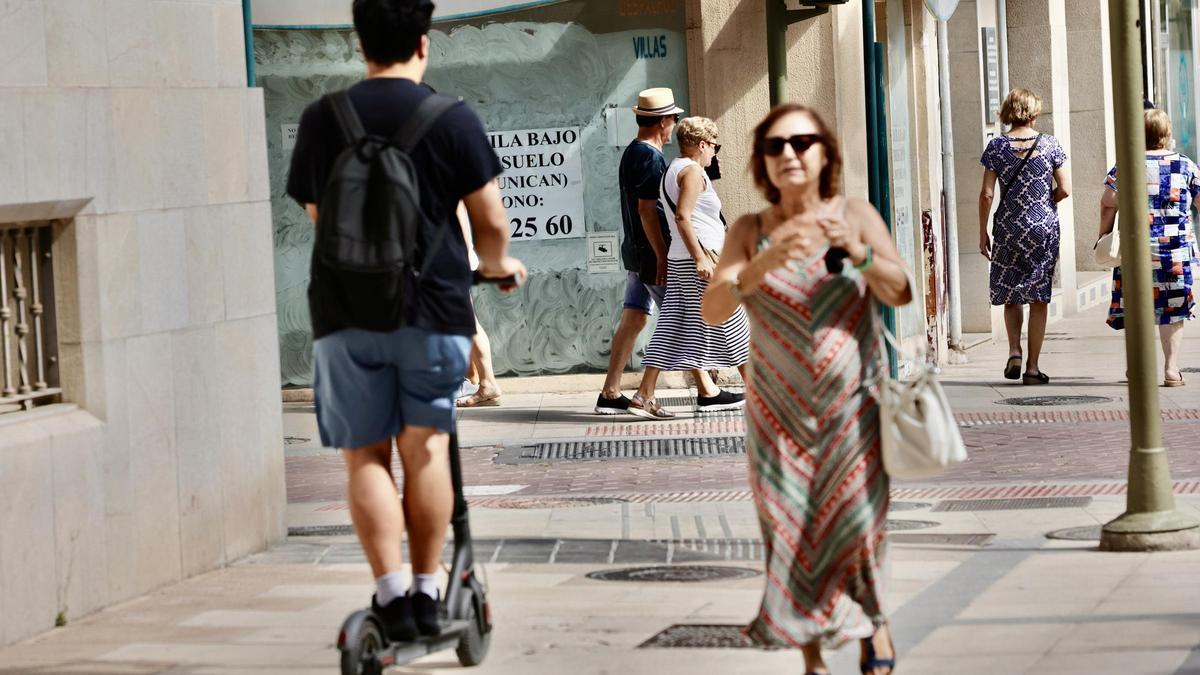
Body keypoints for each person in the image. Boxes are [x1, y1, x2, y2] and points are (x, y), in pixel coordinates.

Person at [285, 0, 525, 643]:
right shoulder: (453, 117)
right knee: (427, 450)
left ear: (360, 43)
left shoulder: (323, 117)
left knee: (365, 456)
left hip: (344, 313)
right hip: (432, 311)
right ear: (424, 43)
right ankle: (425, 591)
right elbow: (491, 223)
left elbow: (319, 216)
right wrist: (498, 266)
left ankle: (389, 595)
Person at [702, 104, 912, 675]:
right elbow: (713, 308)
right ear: (762, 162)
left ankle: (874, 620)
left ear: (825, 154)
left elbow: (899, 291)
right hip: (778, 417)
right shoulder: (750, 232)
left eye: (802, 142)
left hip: (853, 410)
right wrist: (761, 264)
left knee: (857, 524)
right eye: (775, 146)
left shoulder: (855, 215)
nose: (789, 154)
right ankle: (813, 656)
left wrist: (860, 254)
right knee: (790, 528)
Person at [594, 87, 733, 416]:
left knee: (635, 318)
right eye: (673, 119)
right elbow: (647, 211)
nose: (674, 126)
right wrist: (661, 256)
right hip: (651, 254)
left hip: (636, 252)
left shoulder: (633, 152)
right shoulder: (650, 157)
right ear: (662, 121)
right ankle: (699, 390)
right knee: (680, 320)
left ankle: (611, 392)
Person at [630, 116, 749, 420]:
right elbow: (683, 216)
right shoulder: (693, 172)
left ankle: (644, 394)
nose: (715, 152)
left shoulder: (672, 169)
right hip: (703, 257)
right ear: (702, 144)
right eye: (714, 146)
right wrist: (700, 258)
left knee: (672, 324)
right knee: (734, 322)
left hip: (679, 258)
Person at [1099, 108, 1198, 386]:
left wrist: (1103, 236)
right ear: (1166, 133)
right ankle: (1171, 369)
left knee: (1136, 307)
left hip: (1135, 251)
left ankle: (1138, 369)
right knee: (1173, 309)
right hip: (1174, 253)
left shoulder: (1127, 165)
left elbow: (1107, 203)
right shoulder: (1185, 165)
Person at [978, 88, 1071, 385]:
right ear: (1034, 113)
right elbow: (1065, 189)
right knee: (1038, 296)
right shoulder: (1050, 144)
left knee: (1012, 290)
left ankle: (1014, 350)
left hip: (1008, 227)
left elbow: (986, 194)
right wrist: (1044, 204)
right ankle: (1032, 368)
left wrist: (982, 232)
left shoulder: (996, 147)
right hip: (1043, 227)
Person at [456, 203, 502, 407]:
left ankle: (486, 383)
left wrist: (462, 255)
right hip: (446, 257)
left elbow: (458, 211)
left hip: (448, 259)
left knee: (466, 320)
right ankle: (475, 380)